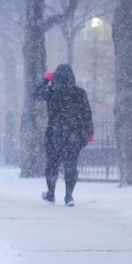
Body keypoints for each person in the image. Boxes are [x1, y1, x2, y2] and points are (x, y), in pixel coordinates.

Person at [33, 64, 93, 207]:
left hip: (55, 133)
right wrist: (89, 133)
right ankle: (69, 196)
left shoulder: (51, 92)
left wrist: (45, 80)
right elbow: (87, 114)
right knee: (71, 166)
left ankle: (51, 193)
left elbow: (35, 94)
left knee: (52, 165)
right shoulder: (80, 93)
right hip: (74, 134)